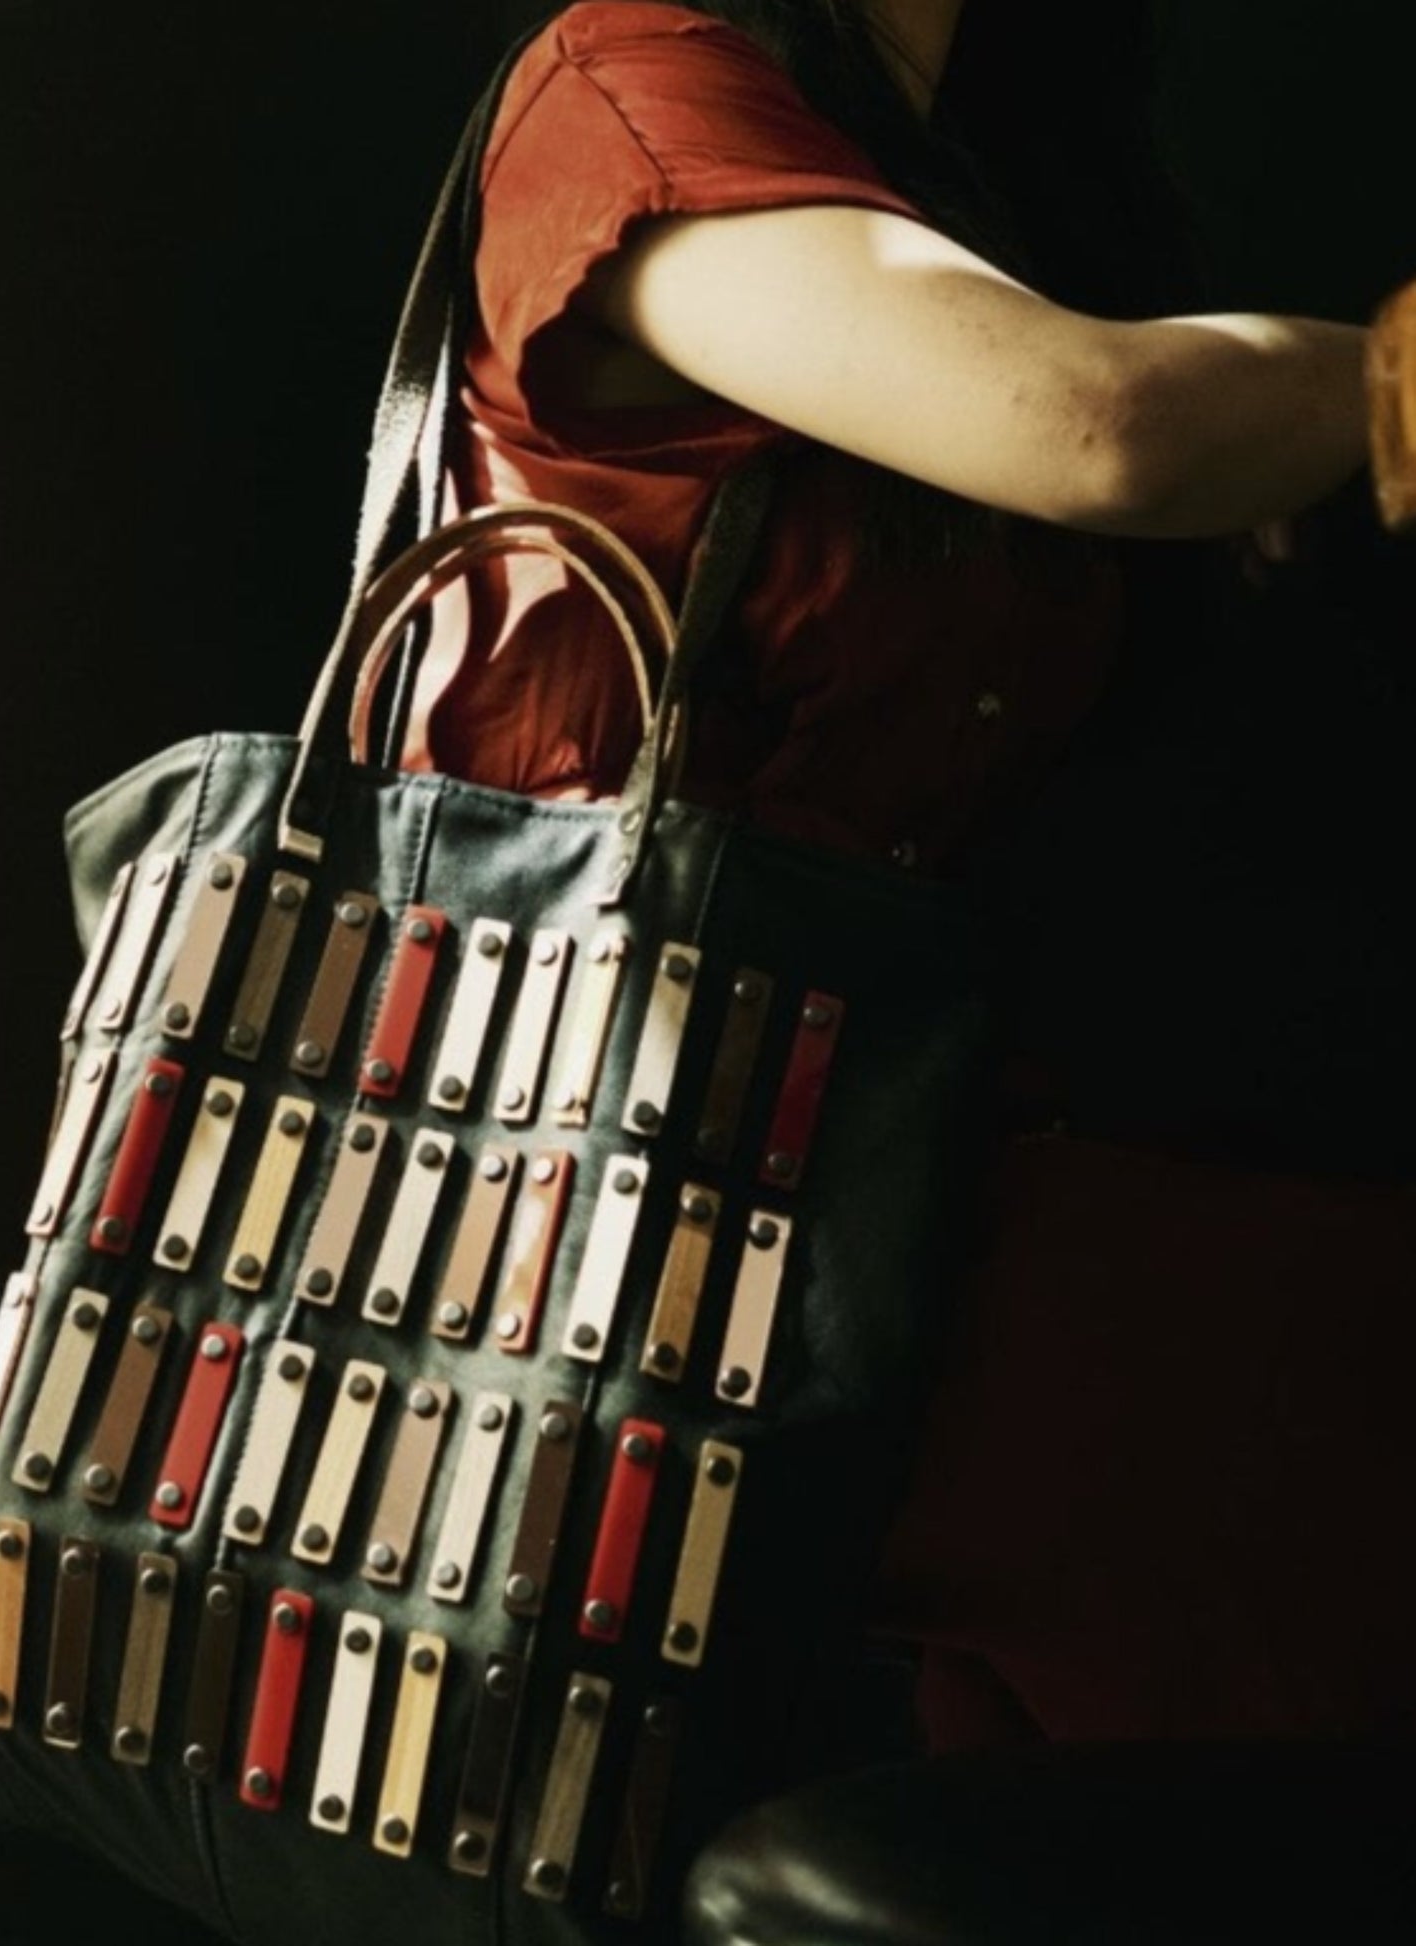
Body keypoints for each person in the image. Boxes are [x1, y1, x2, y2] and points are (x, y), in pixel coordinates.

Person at [402, 0, 1416, 1768]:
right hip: (614, 1206)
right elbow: (1086, 422)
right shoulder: (627, 93)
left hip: (901, 1164)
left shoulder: (997, 161)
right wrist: (1371, 383)